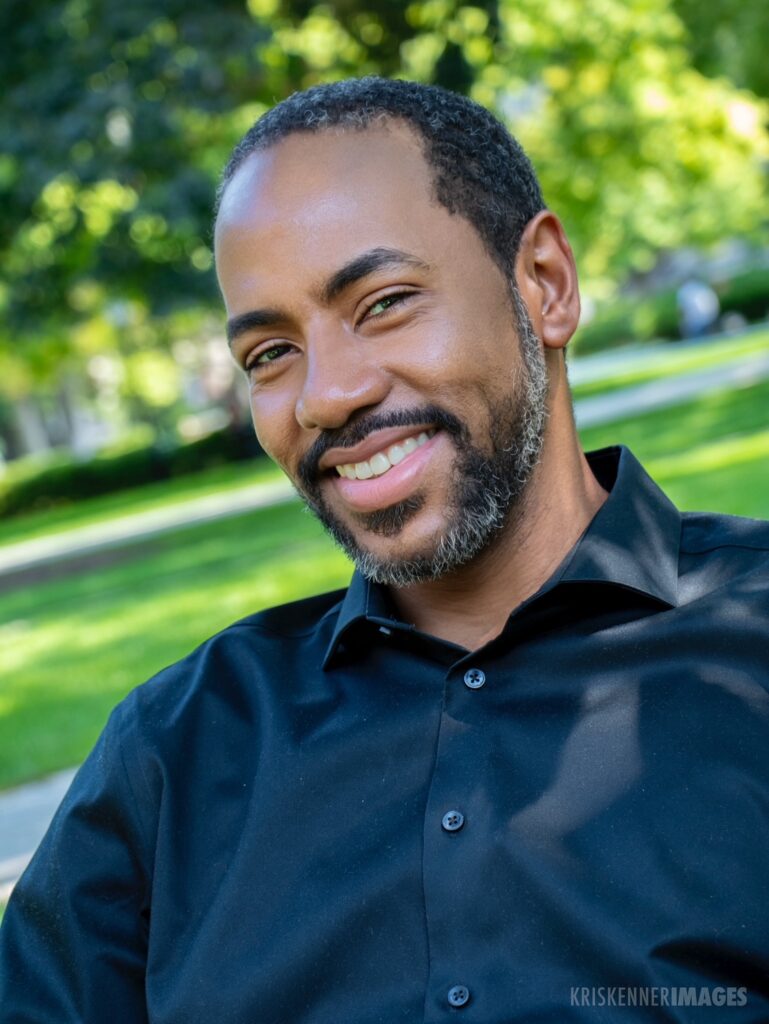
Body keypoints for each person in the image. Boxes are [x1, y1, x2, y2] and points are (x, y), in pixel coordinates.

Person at [2, 77, 768, 1023]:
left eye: (384, 302)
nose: (326, 395)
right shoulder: (174, 756)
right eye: (270, 353)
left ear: (544, 285)